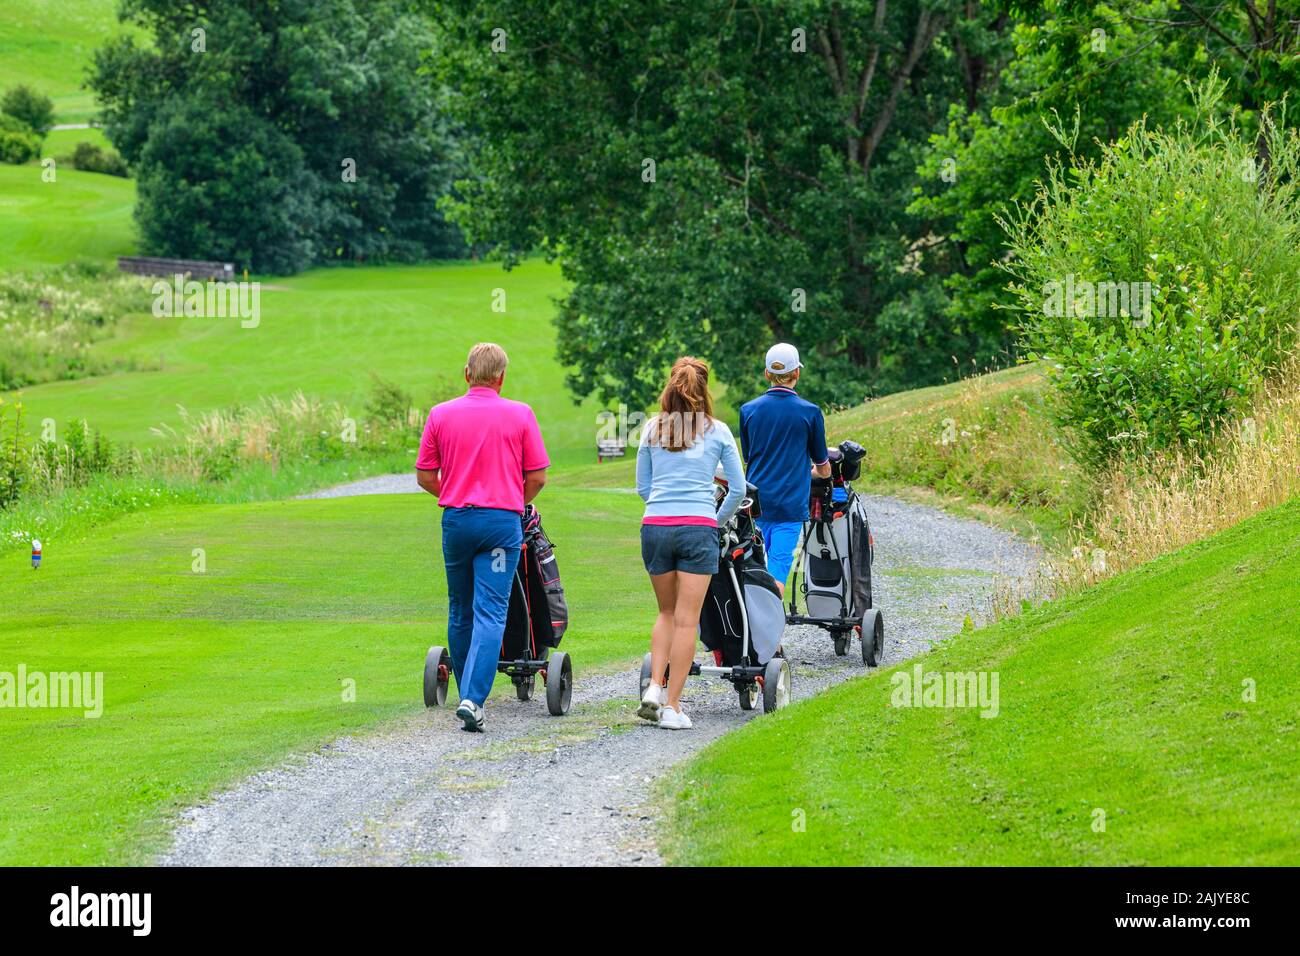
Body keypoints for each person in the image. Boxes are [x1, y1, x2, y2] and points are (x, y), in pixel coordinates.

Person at [415, 343, 550, 732]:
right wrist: (510, 501)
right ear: (502, 377)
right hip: (499, 526)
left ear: (466, 373)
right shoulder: (520, 414)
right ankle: (474, 699)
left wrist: (453, 493)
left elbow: (425, 476)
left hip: (457, 522)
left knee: (460, 609)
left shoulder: (441, 414)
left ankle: (465, 695)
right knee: (490, 611)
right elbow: (537, 476)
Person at [635, 357, 745, 730]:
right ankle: (673, 707)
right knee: (687, 621)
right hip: (698, 527)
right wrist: (712, 523)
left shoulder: (652, 428)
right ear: (705, 389)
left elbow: (643, 488)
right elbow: (739, 490)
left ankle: (653, 687)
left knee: (665, 613)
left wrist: (663, 508)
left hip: (655, 526)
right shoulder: (718, 431)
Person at [738, 343, 830, 596]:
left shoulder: (748, 411)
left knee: (755, 570)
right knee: (777, 571)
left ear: (767, 374)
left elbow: (750, 458)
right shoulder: (810, 412)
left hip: (754, 505)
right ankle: (770, 634)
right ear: (797, 374)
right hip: (789, 507)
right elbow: (822, 466)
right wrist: (812, 473)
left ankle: (755, 631)